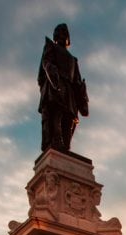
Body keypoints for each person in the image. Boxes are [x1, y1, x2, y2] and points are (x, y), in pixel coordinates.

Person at [38, 23, 89, 153]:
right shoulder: (50, 47)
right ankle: (55, 141)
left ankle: (66, 147)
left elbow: (77, 81)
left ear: (68, 39)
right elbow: (45, 66)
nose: (62, 35)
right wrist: (52, 79)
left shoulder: (73, 60)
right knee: (56, 115)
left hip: (70, 91)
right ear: (55, 36)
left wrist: (83, 99)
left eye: (64, 33)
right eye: (59, 32)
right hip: (54, 85)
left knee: (69, 119)